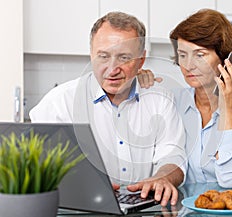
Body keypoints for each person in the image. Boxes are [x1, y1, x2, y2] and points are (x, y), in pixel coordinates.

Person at [29, 11, 187, 206]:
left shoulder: (161, 99)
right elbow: (37, 168)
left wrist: (164, 177)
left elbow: (173, 154)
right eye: (103, 56)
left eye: (124, 57)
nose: (112, 69)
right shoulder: (59, 102)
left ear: (141, 60)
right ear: (91, 54)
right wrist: (81, 183)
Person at [138, 9, 232, 188]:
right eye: (182, 55)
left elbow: (231, 180)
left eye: (200, 55)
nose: (188, 65)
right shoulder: (173, 101)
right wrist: (135, 84)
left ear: (226, 60)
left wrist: (229, 111)